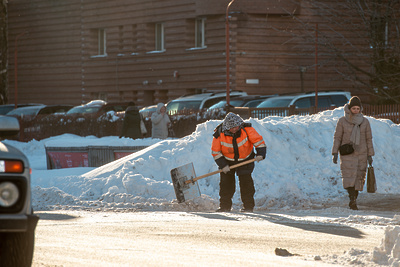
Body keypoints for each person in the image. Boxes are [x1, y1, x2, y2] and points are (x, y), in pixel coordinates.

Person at [211, 112, 267, 212]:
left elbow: (259, 142)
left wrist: (260, 154)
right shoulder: (219, 134)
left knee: (246, 184)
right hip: (227, 161)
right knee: (226, 184)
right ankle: (225, 207)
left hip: (246, 159)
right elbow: (215, 152)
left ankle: (248, 207)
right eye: (232, 128)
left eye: (237, 127)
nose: (235, 129)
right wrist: (223, 165)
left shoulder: (247, 129)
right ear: (227, 128)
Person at [332, 96, 374, 210]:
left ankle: (354, 199)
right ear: (349, 108)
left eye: (357, 108)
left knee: (358, 178)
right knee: (348, 177)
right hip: (347, 153)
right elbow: (337, 137)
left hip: (362, 153)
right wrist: (335, 152)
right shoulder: (342, 121)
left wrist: (370, 155)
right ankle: (352, 198)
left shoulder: (365, 122)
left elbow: (369, 139)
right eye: (353, 108)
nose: (356, 110)